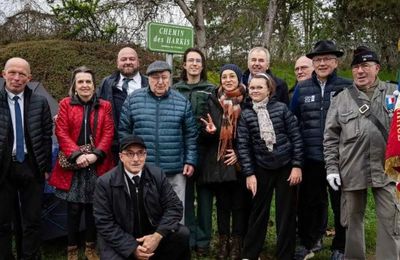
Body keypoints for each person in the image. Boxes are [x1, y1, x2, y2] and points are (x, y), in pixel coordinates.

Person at [324, 46, 400, 259]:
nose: (360, 71)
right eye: (356, 67)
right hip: (352, 168)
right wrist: (332, 168)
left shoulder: (394, 94)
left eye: (365, 66)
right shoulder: (341, 99)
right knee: (351, 222)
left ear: (377, 68)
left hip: (387, 170)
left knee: (391, 220)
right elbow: (330, 137)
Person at [290, 40, 352, 260]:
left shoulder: (347, 86)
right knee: (309, 204)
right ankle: (308, 243)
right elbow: (293, 118)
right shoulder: (302, 87)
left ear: (335, 62)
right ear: (313, 62)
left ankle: (341, 246)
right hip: (311, 158)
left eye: (327, 59)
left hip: (339, 158)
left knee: (340, 205)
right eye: (318, 59)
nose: (322, 63)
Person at [48, 66, 114, 260]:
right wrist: (77, 155)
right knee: (74, 209)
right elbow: (61, 132)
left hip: (97, 164)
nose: (85, 85)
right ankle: (72, 248)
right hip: (73, 164)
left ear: (94, 85)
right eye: (80, 82)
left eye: (88, 82)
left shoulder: (105, 106)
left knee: (94, 207)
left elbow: (109, 132)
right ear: (74, 86)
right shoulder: (65, 104)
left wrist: (96, 155)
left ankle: (90, 247)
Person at [237, 73, 303, 260]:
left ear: (269, 89)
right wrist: (249, 174)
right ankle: (250, 254)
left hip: (286, 167)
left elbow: (296, 137)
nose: (255, 91)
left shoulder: (281, 109)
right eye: (252, 88)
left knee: (286, 214)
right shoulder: (246, 114)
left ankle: (285, 255)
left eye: (259, 87)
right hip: (261, 168)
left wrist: (297, 165)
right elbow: (243, 146)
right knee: (258, 213)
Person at [119, 60, 197, 214]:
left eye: (164, 77)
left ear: (170, 78)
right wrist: (129, 159)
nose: (160, 82)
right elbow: (124, 131)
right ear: (148, 79)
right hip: (142, 168)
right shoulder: (133, 99)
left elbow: (190, 135)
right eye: (155, 77)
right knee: (144, 213)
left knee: (175, 214)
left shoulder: (182, 102)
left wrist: (190, 160)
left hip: (175, 170)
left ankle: (173, 238)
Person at [93, 135, 190, 260]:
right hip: (122, 239)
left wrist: (157, 236)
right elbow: (104, 223)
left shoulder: (157, 175)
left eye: (140, 153)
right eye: (130, 154)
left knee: (182, 234)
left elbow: (174, 207)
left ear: (145, 155)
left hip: (152, 236)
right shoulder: (105, 183)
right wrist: (132, 247)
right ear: (121, 157)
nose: (136, 159)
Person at [0, 57, 52, 260]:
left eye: (22, 74)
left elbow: (47, 135)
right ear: (3, 74)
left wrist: (46, 166)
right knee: (3, 221)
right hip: (3, 167)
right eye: (12, 72)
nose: (16, 77)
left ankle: (29, 256)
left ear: (29, 78)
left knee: (32, 221)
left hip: (32, 166)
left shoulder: (40, 102)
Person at [200, 64, 247, 259]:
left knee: (238, 205)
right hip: (218, 161)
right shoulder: (212, 100)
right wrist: (209, 132)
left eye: (232, 76)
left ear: (238, 78)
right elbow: (202, 134)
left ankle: (236, 243)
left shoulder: (247, 100)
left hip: (238, 162)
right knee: (222, 205)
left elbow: (251, 133)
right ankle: (223, 242)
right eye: (224, 76)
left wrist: (239, 153)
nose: (228, 80)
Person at [172, 48, 215, 255]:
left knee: (205, 197)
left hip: (205, 150)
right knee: (185, 196)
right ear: (184, 65)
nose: (194, 64)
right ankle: (188, 239)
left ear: (202, 65)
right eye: (191, 60)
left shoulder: (211, 89)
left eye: (198, 61)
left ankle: (204, 241)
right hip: (181, 150)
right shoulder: (175, 90)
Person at [97, 47, 149, 162]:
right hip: (114, 147)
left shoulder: (149, 84)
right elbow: (94, 106)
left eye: (132, 59)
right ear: (117, 63)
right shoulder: (106, 83)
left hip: (143, 145)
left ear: (138, 62)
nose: (128, 62)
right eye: (123, 59)